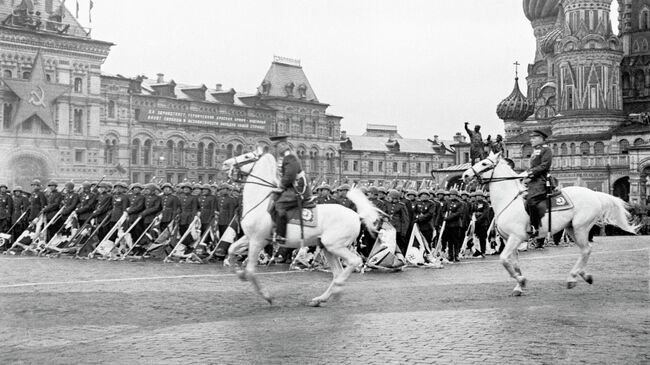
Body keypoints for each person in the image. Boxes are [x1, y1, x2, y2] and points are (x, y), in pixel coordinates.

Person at [271, 135, 312, 243]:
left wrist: (281, 186)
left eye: (277, 146)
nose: (276, 148)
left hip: (298, 189)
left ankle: (281, 235)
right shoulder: (284, 157)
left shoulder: (290, 157)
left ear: (284, 145)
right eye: (275, 146)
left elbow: (290, 175)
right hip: (291, 187)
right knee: (272, 199)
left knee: (280, 204)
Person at [521, 130, 553, 242]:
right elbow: (533, 166)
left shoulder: (546, 149)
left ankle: (535, 227)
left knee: (531, 200)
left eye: (533, 138)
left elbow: (544, 166)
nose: (531, 140)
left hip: (541, 180)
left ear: (541, 138)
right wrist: (525, 175)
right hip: (533, 180)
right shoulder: (536, 151)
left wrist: (530, 173)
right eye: (531, 138)